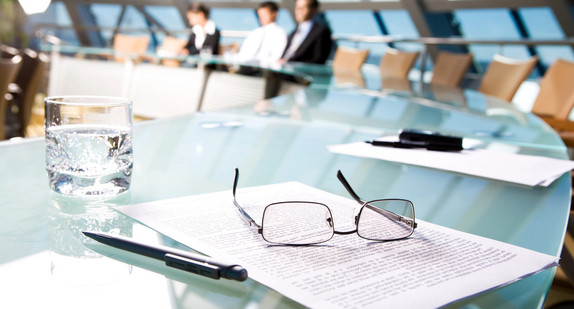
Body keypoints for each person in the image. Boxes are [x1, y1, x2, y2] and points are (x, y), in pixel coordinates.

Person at [280, 0, 332, 64]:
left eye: (303, 7)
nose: (299, 11)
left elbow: (318, 60)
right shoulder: (293, 32)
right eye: (297, 7)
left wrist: (288, 63)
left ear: (314, 9)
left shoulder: (321, 32)